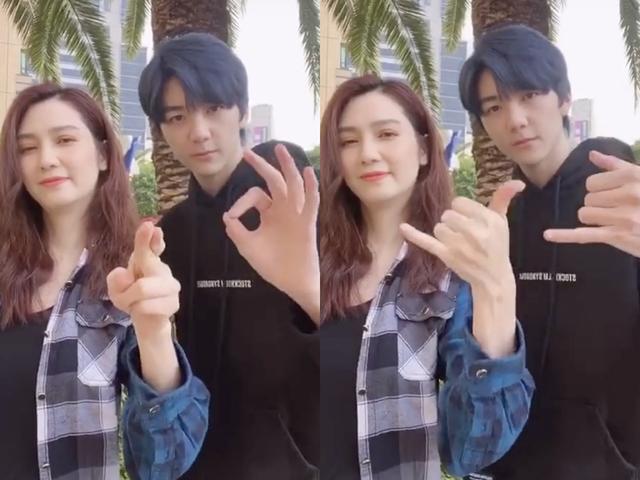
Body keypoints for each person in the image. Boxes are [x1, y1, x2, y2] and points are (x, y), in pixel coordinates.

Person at [319, 74, 535, 479]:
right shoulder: (309, 260)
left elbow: (471, 450)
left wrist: (496, 293)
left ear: (422, 149)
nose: (367, 153)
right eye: (348, 141)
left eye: (386, 134)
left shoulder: (451, 274)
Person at [0, 83, 209, 479]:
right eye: (27, 148)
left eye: (64, 140)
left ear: (101, 154)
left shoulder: (129, 279)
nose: (46, 159)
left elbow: (162, 464)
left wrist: (153, 331)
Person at [459, 23, 640, 479]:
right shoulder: (501, 219)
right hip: (514, 466)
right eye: (494, 107)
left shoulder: (624, 198)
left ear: (564, 98)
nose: (515, 119)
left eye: (529, 95)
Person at [138, 32, 320, 479]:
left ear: (242, 109)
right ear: (160, 129)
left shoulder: (301, 211)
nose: (199, 131)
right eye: (177, 116)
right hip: (195, 467)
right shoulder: (170, 235)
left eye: (214, 108)